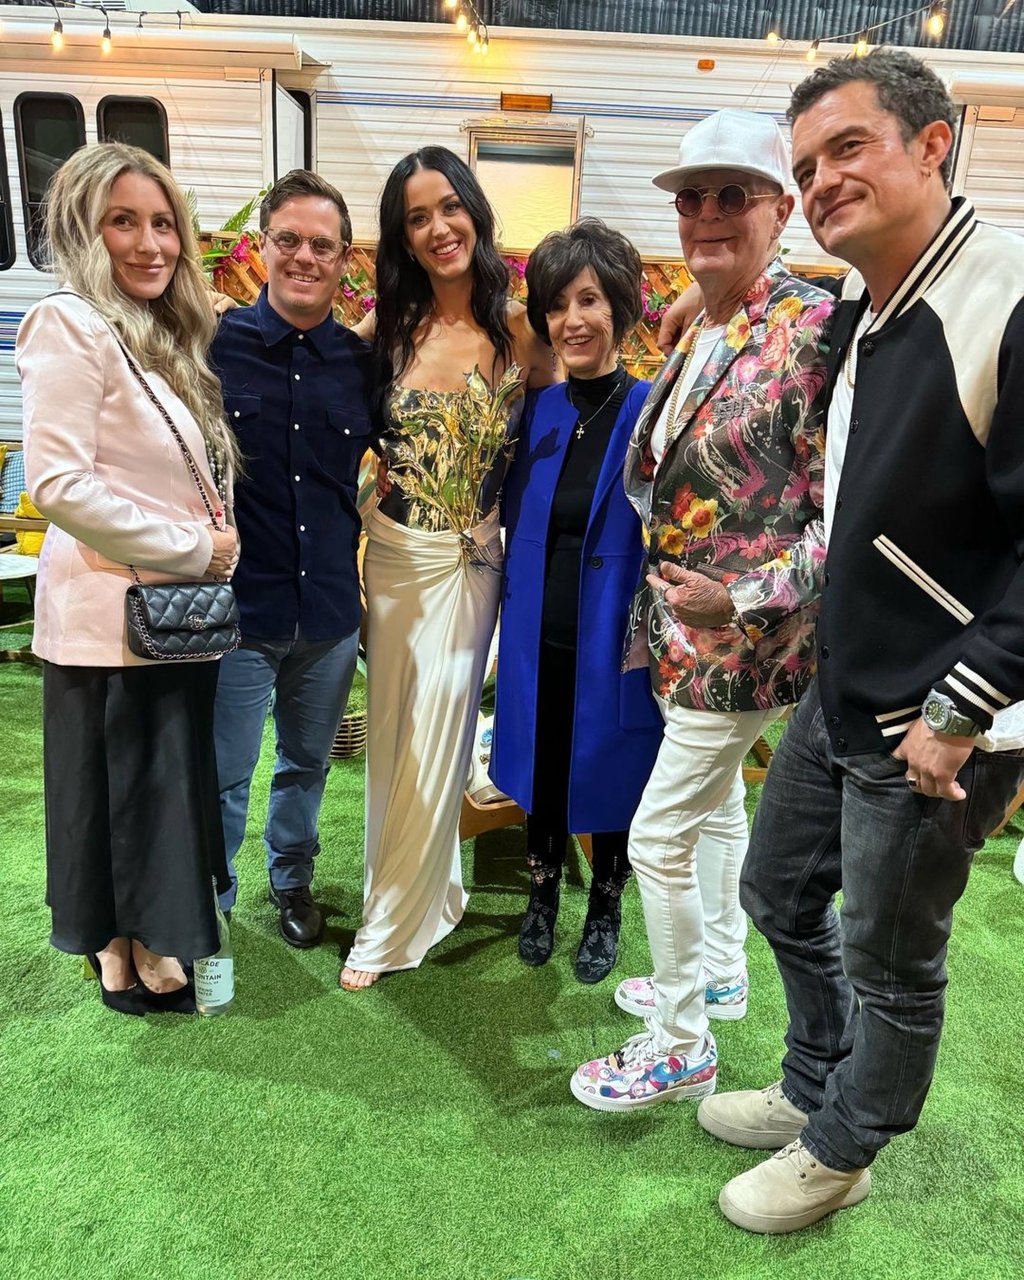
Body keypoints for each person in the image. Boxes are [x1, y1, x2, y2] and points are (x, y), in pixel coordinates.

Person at [695, 49, 1024, 1235]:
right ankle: (813, 1080)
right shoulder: (867, 310)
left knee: (891, 956)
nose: (821, 181)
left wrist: (962, 706)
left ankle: (845, 1144)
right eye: (804, 166)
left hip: (938, 718)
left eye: (847, 149)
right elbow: (850, 523)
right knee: (776, 890)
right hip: (846, 691)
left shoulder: (1003, 297)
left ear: (932, 145)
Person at [568, 110, 833, 1111]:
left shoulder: (811, 330)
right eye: (692, 198)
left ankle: (679, 1040)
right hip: (684, 634)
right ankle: (717, 970)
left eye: (733, 195)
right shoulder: (709, 319)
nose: (708, 214)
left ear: (780, 206)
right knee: (715, 805)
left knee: (657, 835)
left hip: (746, 640)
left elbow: (837, 520)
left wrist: (744, 598)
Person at [15, 142, 239, 1014]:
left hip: (153, 617)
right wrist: (196, 549)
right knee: (117, 795)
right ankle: (122, 949)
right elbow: (59, 486)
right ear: (82, 228)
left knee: (142, 795)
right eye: (123, 222)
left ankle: (139, 942)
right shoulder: (69, 323)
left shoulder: (145, 334)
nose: (151, 244)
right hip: (111, 619)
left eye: (162, 223)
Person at [340, 146, 555, 991]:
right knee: (392, 738)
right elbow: (329, 404)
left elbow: (579, 402)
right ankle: (418, 892)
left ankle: (393, 922)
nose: (437, 229)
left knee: (440, 739)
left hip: (471, 565)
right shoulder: (385, 328)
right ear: (402, 234)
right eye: (416, 217)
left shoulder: (517, 328)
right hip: (392, 561)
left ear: (474, 210)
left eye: (448, 208)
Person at [490, 218, 663, 983]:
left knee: (609, 767)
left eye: (589, 300)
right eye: (556, 305)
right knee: (543, 765)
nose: (573, 321)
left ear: (620, 309)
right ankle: (540, 895)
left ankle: (606, 905)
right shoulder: (537, 411)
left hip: (611, 626)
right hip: (536, 623)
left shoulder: (651, 409)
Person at [210, 171, 373, 948]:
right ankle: (211, 898)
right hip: (239, 613)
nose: (305, 257)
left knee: (307, 764)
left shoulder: (362, 363)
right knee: (226, 772)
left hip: (332, 615)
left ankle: (292, 878)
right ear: (263, 248)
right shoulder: (213, 345)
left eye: (323, 245)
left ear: (345, 261)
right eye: (290, 240)